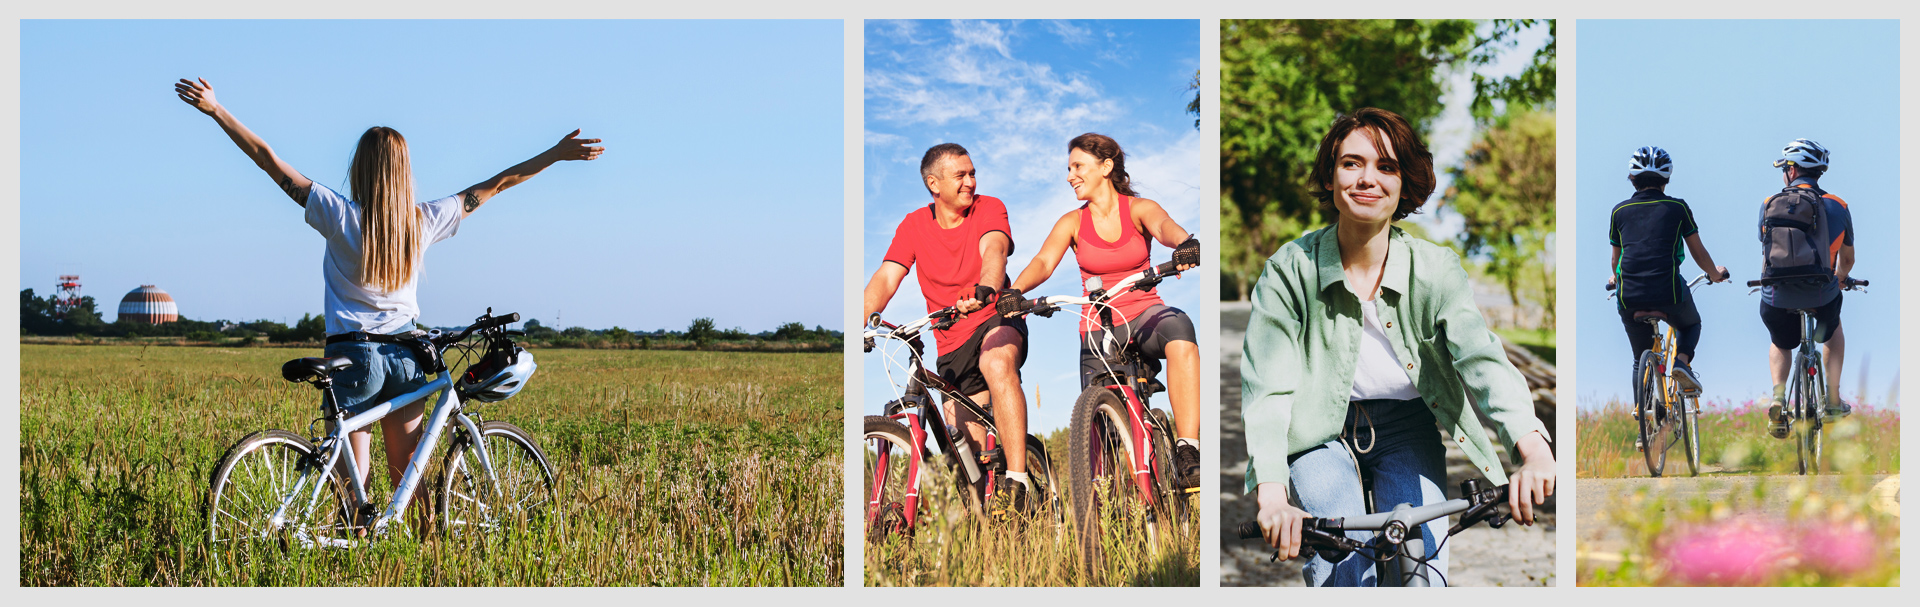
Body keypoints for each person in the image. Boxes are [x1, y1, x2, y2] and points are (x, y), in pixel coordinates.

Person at [176, 77, 602, 524]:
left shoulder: (337, 213)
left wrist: (217, 110)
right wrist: (555, 154)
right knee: (409, 487)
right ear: (405, 172)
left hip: (352, 357)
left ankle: (355, 561)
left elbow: (269, 162)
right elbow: (496, 185)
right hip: (405, 357)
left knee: (352, 498)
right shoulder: (423, 222)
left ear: (359, 169)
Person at [1240, 108, 1554, 586]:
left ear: (1405, 184)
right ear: (1330, 176)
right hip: (1317, 434)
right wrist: (1272, 493)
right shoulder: (1290, 270)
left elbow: (1482, 359)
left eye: (1387, 167)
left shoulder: (1436, 270)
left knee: (1421, 569)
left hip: (1407, 428)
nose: (1368, 178)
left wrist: (1532, 450)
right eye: (1352, 163)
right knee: (1341, 563)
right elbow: (1268, 389)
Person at [996, 133, 1203, 489]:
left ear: (1106, 167)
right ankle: (1102, 508)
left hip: (1144, 314)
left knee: (1181, 332)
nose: (1070, 175)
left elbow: (1165, 227)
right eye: (1069, 168)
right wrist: (1015, 291)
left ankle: (1188, 449)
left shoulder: (1139, 209)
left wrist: (1185, 244)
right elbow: (1044, 261)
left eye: (1078, 166)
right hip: (1098, 328)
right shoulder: (1072, 222)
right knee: (1096, 431)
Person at [863, 143, 1034, 513]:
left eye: (973, 173)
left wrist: (987, 286)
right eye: (961, 175)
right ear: (934, 183)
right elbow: (887, 277)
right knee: (970, 461)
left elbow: (995, 250)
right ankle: (990, 527)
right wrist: (858, 316)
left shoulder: (989, 207)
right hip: (950, 341)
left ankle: (1018, 481)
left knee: (996, 363)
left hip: (994, 319)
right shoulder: (913, 225)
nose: (971, 181)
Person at [1606, 146, 1731, 411]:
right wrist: (1715, 274)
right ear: (1667, 179)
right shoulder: (1677, 208)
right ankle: (1681, 364)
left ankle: (1644, 418)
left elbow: (1617, 261)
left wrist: (1614, 279)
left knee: (1640, 359)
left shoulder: (1619, 212)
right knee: (1690, 325)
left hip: (1629, 297)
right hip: (1668, 293)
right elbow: (1699, 252)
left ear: (1632, 178)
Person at [1758, 139, 1855, 437]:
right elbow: (1848, 260)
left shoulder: (1768, 203)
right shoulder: (1838, 206)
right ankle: (1834, 401)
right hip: (1821, 292)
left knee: (1780, 340)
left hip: (1777, 294)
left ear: (1792, 169)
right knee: (1831, 330)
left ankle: (1777, 398)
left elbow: (1765, 249)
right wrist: (1839, 277)